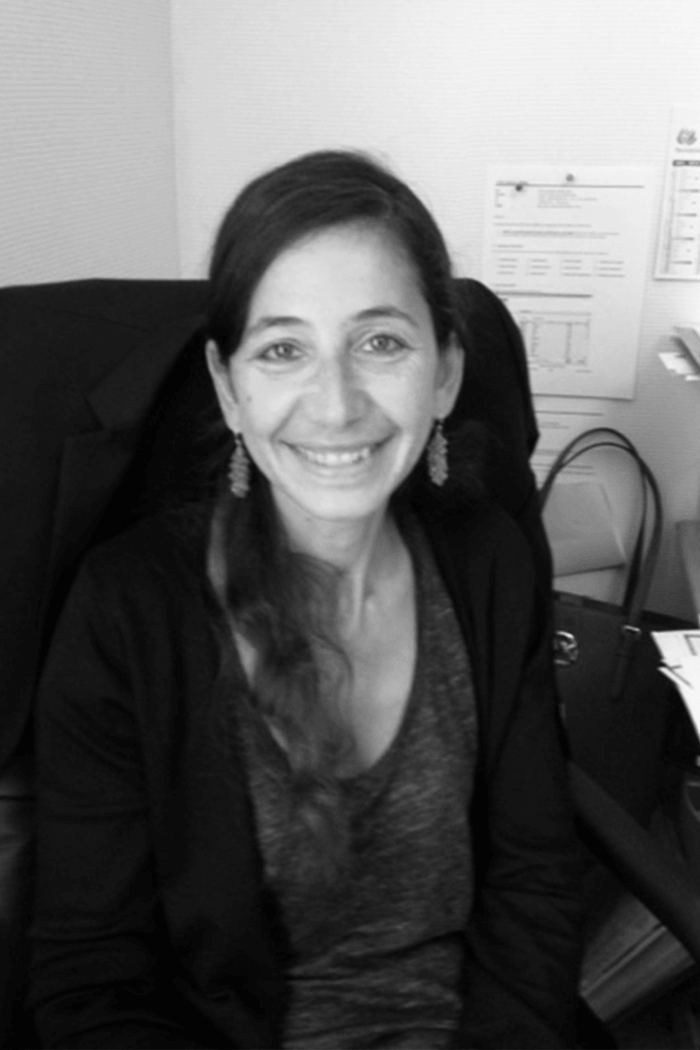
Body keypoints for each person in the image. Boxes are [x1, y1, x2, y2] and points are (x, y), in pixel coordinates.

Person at [28, 150, 584, 1049]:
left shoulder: (489, 562)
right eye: (284, 350)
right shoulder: (128, 610)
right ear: (228, 388)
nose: (334, 405)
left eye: (381, 342)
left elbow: (536, 878)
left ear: (445, 372)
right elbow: (91, 980)